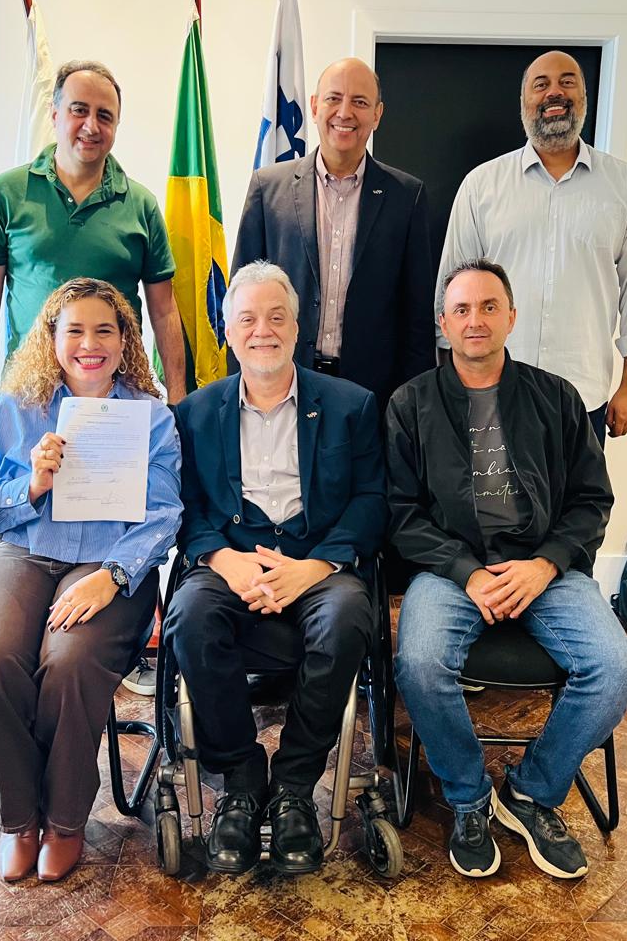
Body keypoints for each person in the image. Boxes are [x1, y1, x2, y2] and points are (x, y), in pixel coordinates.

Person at [388, 259, 627, 879]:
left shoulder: (556, 397)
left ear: (511, 316)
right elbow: (398, 513)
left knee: (617, 669)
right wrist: (466, 571)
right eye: (463, 310)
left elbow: (591, 501)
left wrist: (548, 564)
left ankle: (532, 791)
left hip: (544, 568)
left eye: (489, 307)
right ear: (444, 323)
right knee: (417, 664)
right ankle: (469, 797)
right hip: (452, 573)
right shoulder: (410, 403)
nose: (476, 320)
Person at [0, 278, 182, 883]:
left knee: (70, 661)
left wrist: (115, 575)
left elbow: (164, 513)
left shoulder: (150, 418)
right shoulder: (15, 410)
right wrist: (28, 487)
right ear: (50, 339)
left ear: (125, 339)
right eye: (74, 330)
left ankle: (65, 821)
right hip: (23, 553)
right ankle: (19, 819)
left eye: (105, 329)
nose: (89, 343)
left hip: (108, 565)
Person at [165, 260, 386, 876]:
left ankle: (293, 787)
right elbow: (183, 507)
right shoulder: (195, 414)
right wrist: (222, 559)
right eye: (247, 319)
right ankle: (240, 781)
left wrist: (316, 566)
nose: (263, 330)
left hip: (317, 563)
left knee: (347, 616)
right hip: (231, 558)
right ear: (228, 333)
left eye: (276, 317)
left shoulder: (351, 406)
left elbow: (372, 501)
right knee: (189, 613)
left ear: (298, 328)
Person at [437, 51, 627, 445]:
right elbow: (450, 293)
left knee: (578, 507)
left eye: (567, 81)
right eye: (540, 84)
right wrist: (448, 388)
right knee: (484, 507)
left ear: (584, 98)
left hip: (581, 398)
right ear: (524, 103)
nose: (554, 92)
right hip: (488, 393)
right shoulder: (482, 186)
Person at [0, 60, 187, 416]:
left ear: (116, 125)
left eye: (105, 115)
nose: (91, 126)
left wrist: (178, 399)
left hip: (116, 400)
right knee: (31, 475)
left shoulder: (141, 204)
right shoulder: (4, 194)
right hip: (29, 400)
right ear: (54, 114)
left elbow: (164, 311)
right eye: (79, 110)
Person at [232, 57, 434, 407]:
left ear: (377, 114)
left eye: (360, 102)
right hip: (281, 384)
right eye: (333, 98)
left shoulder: (407, 197)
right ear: (313, 105)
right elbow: (239, 301)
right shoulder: (269, 189)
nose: (345, 112)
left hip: (371, 393)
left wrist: (412, 408)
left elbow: (416, 319)